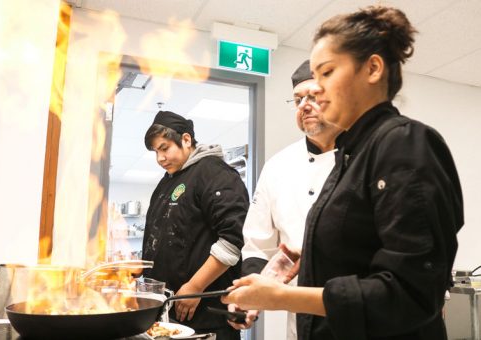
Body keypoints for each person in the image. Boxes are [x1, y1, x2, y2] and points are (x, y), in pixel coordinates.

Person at [223, 5, 464, 340]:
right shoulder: (353, 155)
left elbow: (413, 293)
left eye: (326, 73)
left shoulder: (404, 143)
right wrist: (299, 262)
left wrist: (283, 297)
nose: (316, 91)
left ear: (373, 69)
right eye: (308, 86)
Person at [228, 60, 342, 339]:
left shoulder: (366, 158)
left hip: (362, 317)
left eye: (314, 96)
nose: (304, 105)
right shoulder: (278, 166)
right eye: (298, 99)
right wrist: (250, 297)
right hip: (302, 320)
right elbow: (258, 244)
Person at [142, 110, 249, 339]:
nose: (160, 158)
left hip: (205, 316)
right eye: (155, 152)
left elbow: (233, 239)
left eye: (164, 148)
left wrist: (195, 287)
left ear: (186, 139)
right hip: (169, 312)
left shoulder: (214, 173)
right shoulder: (167, 183)